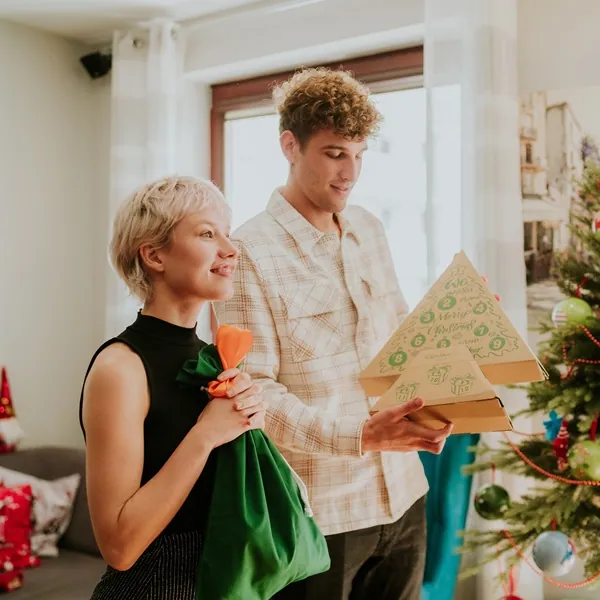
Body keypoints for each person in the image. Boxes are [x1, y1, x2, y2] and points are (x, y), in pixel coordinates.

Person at [215, 68, 454, 600]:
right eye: (334, 153)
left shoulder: (368, 226)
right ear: (290, 145)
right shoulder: (247, 252)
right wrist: (363, 436)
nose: (350, 172)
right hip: (322, 513)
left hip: (406, 493)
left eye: (360, 154)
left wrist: (459, 318)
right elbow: (254, 395)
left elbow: (399, 337)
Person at [79, 176, 267, 599]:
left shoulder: (214, 361)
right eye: (207, 233)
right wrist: (206, 435)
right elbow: (120, 547)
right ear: (154, 256)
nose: (231, 249)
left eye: (228, 233)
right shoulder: (120, 369)